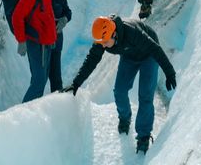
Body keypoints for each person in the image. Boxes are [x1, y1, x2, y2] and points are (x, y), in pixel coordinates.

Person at [63, 15, 176, 154]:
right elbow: (91, 60)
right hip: (129, 57)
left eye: (105, 42)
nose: (102, 45)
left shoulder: (132, 32)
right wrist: (76, 83)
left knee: (145, 96)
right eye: (101, 42)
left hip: (149, 56)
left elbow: (155, 49)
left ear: (114, 34)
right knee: (119, 91)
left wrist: (169, 72)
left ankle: (143, 136)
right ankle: (124, 118)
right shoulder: (102, 38)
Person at [12, 0, 70, 103]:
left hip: (46, 43)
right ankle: (23, 116)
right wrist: (21, 40)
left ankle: (30, 114)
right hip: (37, 43)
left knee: (41, 80)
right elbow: (17, 16)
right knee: (38, 82)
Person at [49, 0, 72, 92]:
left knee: (56, 75)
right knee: (41, 77)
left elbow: (68, 11)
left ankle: (57, 101)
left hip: (57, 40)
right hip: (42, 42)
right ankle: (33, 105)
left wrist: (65, 18)